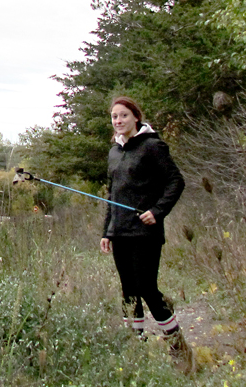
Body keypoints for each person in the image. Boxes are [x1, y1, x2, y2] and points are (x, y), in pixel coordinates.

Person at [100, 96, 195, 373]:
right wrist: (107, 231)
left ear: (136, 118)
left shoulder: (153, 146)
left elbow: (176, 181)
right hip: (120, 233)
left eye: (124, 116)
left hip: (145, 232)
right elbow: (112, 195)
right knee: (129, 293)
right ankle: (135, 348)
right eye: (115, 117)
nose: (118, 121)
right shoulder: (114, 153)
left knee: (147, 289)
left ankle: (179, 347)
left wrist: (157, 211)